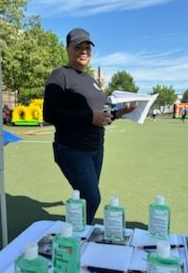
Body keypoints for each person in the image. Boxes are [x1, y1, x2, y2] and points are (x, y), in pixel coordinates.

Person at [43, 28, 136, 224]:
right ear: (68, 49)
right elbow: (50, 114)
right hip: (71, 149)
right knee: (92, 198)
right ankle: (73, 239)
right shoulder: (60, 75)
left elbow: (101, 115)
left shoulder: (92, 81)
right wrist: (89, 117)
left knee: (86, 199)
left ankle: (75, 238)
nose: (84, 51)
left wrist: (120, 113)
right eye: (78, 47)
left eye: (87, 47)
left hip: (95, 149)